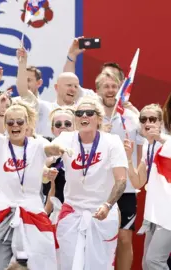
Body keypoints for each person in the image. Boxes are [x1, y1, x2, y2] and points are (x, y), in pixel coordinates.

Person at [0, 67, 60, 270]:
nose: (15, 125)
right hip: (3, 216)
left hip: (33, 216)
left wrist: (63, 146)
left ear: (27, 124)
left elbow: (52, 148)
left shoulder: (38, 144)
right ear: (5, 125)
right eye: (10, 122)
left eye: (19, 122)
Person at [52, 96, 128, 269]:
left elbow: (121, 180)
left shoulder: (112, 141)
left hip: (102, 213)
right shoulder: (65, 139)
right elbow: (45, 155)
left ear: (99, 118)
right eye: (79, 113)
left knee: (99, 266)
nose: (83, 116)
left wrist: (108, 205)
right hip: (72, 212)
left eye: (89, 113)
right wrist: (45, 168)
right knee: (68, 264)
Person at [95, 71, 143, 269]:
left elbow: (139, 152)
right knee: (99, 236)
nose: (110, 90)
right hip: (98, 188)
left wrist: (135, 178)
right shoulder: (90, 116)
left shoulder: (131, 117)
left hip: (126, 188)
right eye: (106, 86)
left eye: (114, 86)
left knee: (124, 238)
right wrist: (99, 133)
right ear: (97, 90)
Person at [125, 104, 170, 269]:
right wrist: (129, 160)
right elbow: (138, 182)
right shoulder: (147, 145)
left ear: (161, 123)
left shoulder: (167, 143)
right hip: (155, 211)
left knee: (154, 261)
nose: (147, 123)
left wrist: (160, 139)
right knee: (147, 263)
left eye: (153, 119)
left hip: (168, 211)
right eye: (143, 119)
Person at [42, 107, 75, 218]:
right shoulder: (45, 145)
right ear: (52, 129)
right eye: (58, 124)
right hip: (52, 210)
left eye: (67, 123)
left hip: (76, 209)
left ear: (75, 127)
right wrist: (53, 157)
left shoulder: (83, 148)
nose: (63, 127)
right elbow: (35, 167)